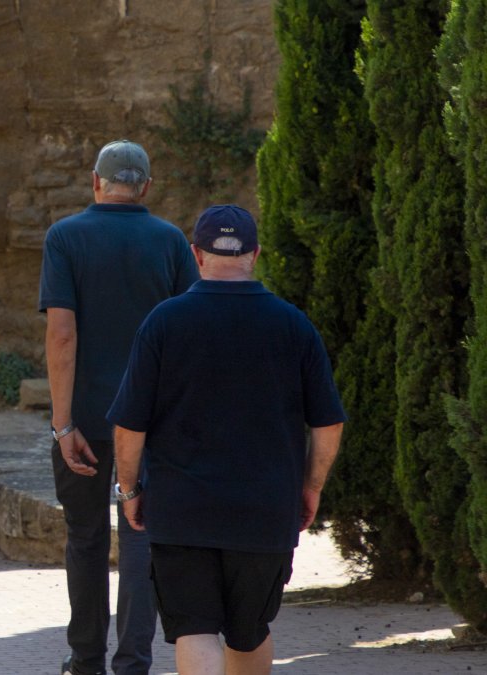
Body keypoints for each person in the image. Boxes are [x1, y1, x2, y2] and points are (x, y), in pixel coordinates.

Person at [107, 205, 345, 675]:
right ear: (254, 255)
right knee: (250, 628)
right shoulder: (293, 325)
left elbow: (129, 425)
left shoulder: (164, 322)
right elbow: (328, 424)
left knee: (194, 628)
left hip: (182, 509)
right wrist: (311, 486)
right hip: (264, 509)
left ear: (196, 255)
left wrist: (130, 490)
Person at [38, 139, 199, 675]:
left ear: (95, 182)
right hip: (151, 421)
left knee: (83, 537)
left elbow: (62, 335)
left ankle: (85, 659)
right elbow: (185, 336)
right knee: (140, 536)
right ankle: (133, 661)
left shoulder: (66, 237)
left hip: (83, 417)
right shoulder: (172, 242)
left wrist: (63, 423)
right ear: (147, 187)